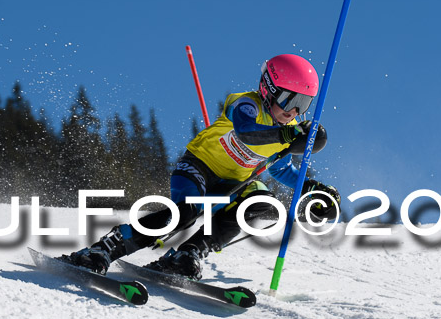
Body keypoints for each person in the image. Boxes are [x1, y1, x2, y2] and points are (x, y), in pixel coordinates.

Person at [59, 54, 341, 280]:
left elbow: (281, 171)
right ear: (269, 87)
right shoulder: (247, 104)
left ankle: (190, 253)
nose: (293, 111)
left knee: (261, 202)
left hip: (232, 185)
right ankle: (106, 248)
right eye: (288, 100)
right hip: (198, 168)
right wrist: (288, 137)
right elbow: (246, 132)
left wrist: (314, 190)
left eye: (303, 104)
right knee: (184, 213)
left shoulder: (287, 131)